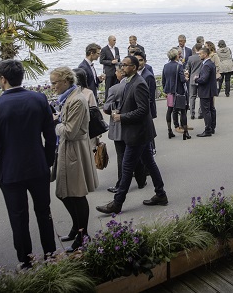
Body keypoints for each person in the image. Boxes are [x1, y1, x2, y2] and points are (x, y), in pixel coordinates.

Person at [0, 59, 56, 268]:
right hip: (38, 166)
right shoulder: (39, 99)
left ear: (3, 80)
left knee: (18, 217)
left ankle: (26, 260)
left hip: (9, 170)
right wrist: (47, 161)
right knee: (44, 212)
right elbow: (50, 137)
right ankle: (50, 254)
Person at [96, 55, 169, 214]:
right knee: (149, 163)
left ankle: (117, 203)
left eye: (125, 65)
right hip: (139, 132)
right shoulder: (130, 81)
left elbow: (144, 110)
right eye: (122, 64)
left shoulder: (139, 83)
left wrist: (122, 117)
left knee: (127, 168)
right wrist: (120, 111)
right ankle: (161, 194)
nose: (122, 67)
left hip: (138, 133)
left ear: (134, 68)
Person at [49, 66, 98, 252]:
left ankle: (83, 235)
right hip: (68, 150)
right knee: (65, 193)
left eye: (55, 83)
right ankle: (77, 229)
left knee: (75, 194)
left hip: (74, 151)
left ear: (67, 81)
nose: (52, 86)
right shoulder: (70, 97)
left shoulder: (76, 100)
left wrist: (55, 122)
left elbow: (69, 131)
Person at [103, 64, 146, 193]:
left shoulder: (115, 88)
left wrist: (113, 110)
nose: (115, 74)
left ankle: (120, 184)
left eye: (116, 72)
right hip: (133, 124)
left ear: (121, 73)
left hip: (119, 126)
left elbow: (106, 108)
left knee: (121, 155)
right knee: (135, 153)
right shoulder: (136, 84)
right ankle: (141, 179)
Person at [162, 48, 191, 140]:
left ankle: (169, 130)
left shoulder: (165, 66)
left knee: (169, 110)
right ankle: (185, 132)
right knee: (182, 111)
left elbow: (163, 80)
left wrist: (165, 90)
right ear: (176, 56)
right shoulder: (179, 66)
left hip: (170, 91)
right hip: (179, 92)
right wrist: (186, 77)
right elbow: (182, 80)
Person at [195, 47, 218, 137]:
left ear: (205, 54)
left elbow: (204, 79)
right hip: (210, 90)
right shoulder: (210, 63)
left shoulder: (206, 65)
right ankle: (212, 127)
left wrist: (196, 79)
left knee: (206, 110)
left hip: (205, 91)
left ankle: (208, 129)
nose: (199, 55)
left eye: (200, 54)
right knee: (211, 109)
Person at [186, 43, 203, 120]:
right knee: (201, 96)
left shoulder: (190, 58)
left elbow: (187, 69)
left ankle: (192, 113)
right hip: (201, 79)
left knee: (192, 96)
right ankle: (200, 112)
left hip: (192, 79)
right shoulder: (202, 57)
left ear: (195, 49)